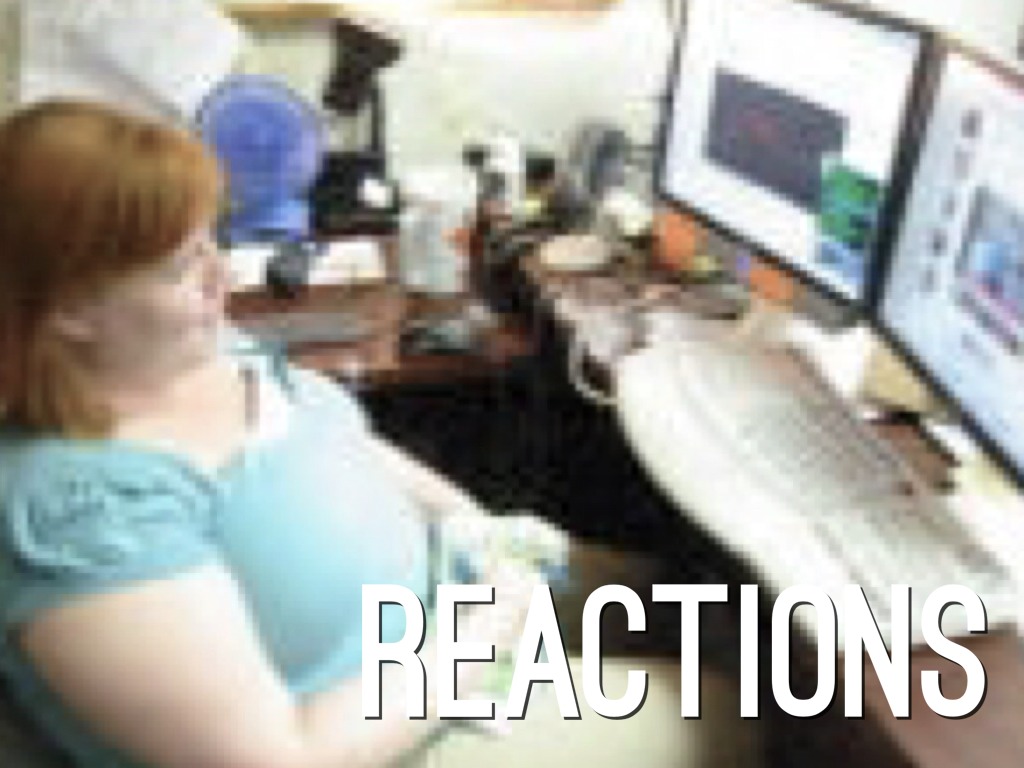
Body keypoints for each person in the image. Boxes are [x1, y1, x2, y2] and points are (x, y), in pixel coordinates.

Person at [0, 99, 549, 768]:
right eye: (181, 265)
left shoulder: (183, 347)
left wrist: (478, 530)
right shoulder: (82, 518)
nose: (221, 275)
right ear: (70, 310)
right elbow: (285, 758)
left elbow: (338, 447)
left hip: (455, 612)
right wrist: (491, 628)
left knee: (654, 583)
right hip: (415, 729)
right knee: (679, 691)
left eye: (211, 240)